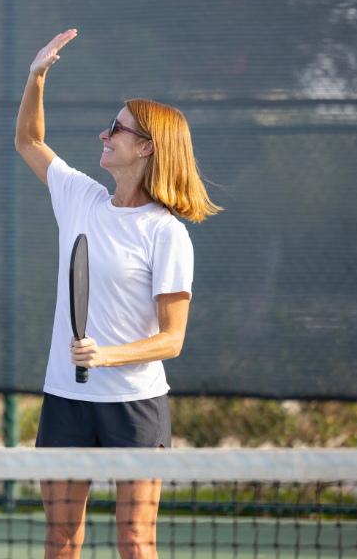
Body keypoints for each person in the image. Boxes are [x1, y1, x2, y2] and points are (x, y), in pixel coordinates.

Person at [14, 30, 220, 559]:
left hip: (136, 406)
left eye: (116, 128)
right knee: (61, 539)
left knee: (135, 540)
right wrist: (36, 76)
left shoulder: (166, 233)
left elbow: (171, 340)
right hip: (66, 398)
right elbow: (30, 142)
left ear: (145, 147)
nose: (103, 134)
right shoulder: (79, 197)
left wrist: (105, 356)